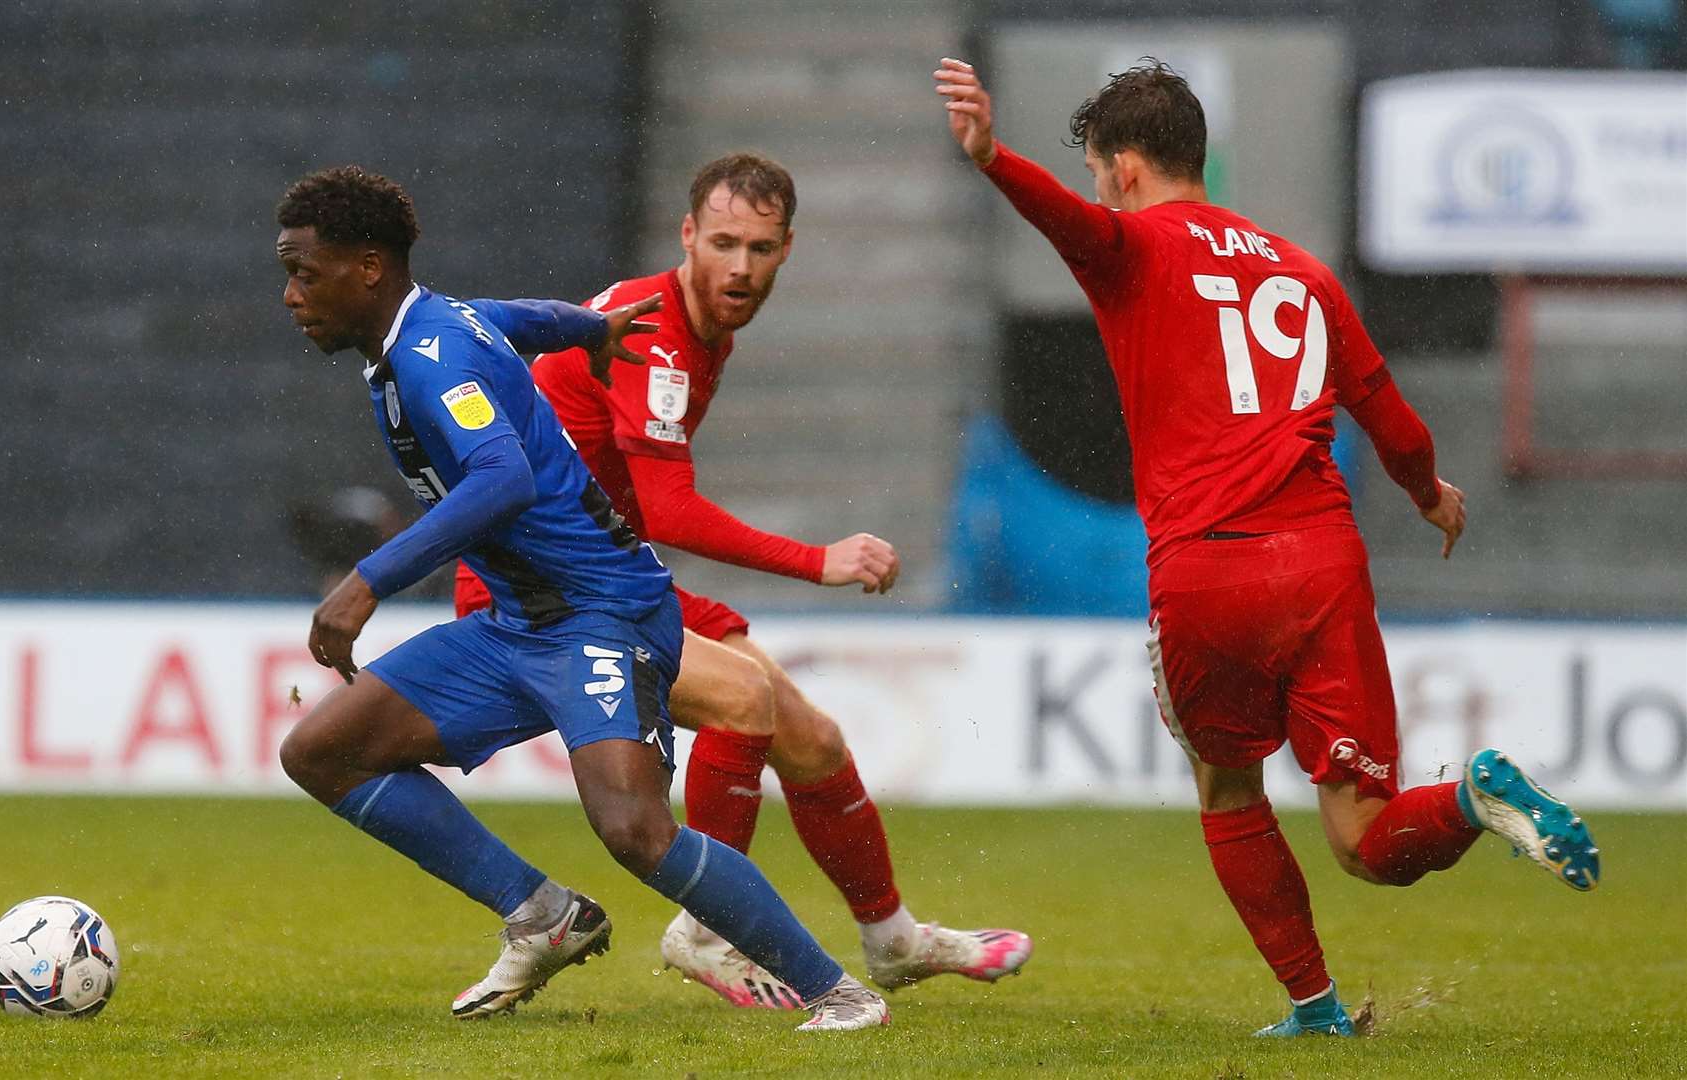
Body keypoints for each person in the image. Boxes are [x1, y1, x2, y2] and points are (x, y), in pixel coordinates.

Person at [935, 58, 1599, 1036]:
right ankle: (1467, 797)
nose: (1090, 190)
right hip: (1323, 561)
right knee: (1368, 836)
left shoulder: (1130, 248)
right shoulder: (1301, 271)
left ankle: (1316, 1008)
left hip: (1210, 567)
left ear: (1122, 168)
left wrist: (992, 157)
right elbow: (1389, 416)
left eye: (1091, 170)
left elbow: (1066, 226)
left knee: (1227, 783)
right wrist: (1426, 496)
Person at [271, 165, 887, 1031]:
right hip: (518, 622)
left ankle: (839, 994)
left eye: (304, 271)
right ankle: (542, 915)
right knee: (321, 752)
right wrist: (590, 329)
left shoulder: (427, 354)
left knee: (636, 833)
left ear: (367, 268)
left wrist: (365, 582)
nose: (292, 294)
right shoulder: (441, 324)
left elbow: (502, 477)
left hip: (605, 613)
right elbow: (528, 319)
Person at [455, 154, 1032, 1009]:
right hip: (543, 590)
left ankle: (894, 942)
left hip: (600, 574)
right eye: (722, 242)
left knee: (814, 742)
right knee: (744, 702)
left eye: (759, 248)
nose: (740, 266)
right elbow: (671, 510)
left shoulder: (696, 326)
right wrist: (817, 560)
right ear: (687, 235)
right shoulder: (655, 333)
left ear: (786, 249)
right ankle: (704, 930)